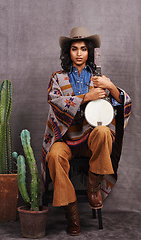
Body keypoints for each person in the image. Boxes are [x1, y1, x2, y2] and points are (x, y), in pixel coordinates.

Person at [41, 27, 132, 236]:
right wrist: (85, 98)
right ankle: (71, 212)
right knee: (54, 156)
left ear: (90, 52)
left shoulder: (99, 78)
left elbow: (123, 105)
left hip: (91, 140)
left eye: (83, 49)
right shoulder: (57, 77)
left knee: (103, 132)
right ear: (68, 52)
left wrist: (111, 86)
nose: (79, 53)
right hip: (65, 139)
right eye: (74, 49)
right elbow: (55, 101)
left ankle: (93, 188)